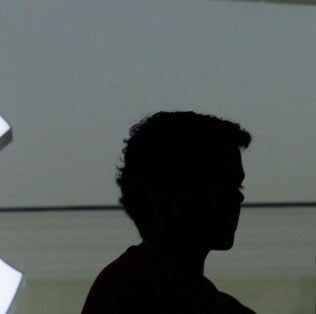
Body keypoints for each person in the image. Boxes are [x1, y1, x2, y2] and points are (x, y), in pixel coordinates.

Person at [82, 111, 255, 313]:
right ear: (170, 191)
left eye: (237, 186)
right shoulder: (133, 290)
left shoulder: (199, 296)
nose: (237, 198)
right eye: (219, 184)